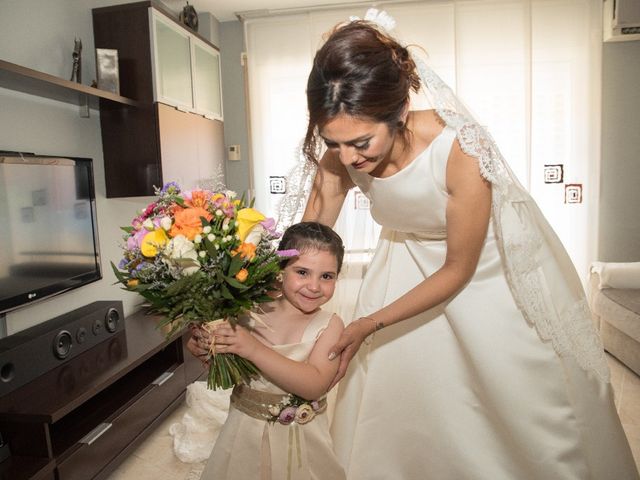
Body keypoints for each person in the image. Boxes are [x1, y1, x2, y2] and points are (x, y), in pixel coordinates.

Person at [297, 14, 639, 480]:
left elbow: (458, 268)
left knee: (515, 396)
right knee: (402, 395)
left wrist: (367, 323)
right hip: (406, 260)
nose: (349, 158)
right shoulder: (342, 155)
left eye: (361, 142)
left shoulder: (460, 148)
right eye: (334, 144)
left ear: (397, 112)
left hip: (485, 270)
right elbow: (305, 244)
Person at [190, 221, 347, 480]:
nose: (315, 286)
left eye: (327, 276)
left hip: (300, 441)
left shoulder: (330, 325)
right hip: (243, 431)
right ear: (280, 271)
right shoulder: (251, 311)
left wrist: (253, 349)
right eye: (303, 272)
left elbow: (316, 384)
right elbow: (227, 368)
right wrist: (205, 346)